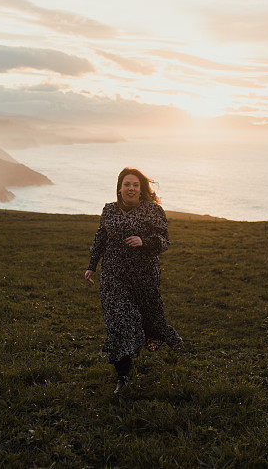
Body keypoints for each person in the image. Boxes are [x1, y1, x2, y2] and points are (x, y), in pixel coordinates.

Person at [84, 167, 184, 394]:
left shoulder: (153, 211)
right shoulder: (109, 210)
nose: (130, 188)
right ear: (120, 188)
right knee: (119, 321)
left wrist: (144, 241)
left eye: (135, 185)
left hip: (144, 276)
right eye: (126, 184)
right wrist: (92, 266)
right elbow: (100, 238)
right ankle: (122, 375)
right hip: (113, 276)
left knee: (149, 318)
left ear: (141, 189)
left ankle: (161, 335)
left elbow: (164, 241)